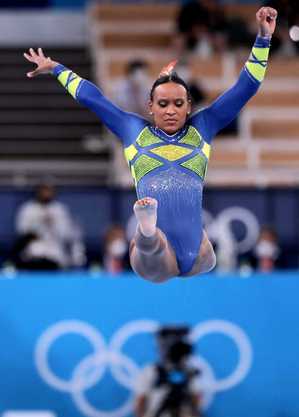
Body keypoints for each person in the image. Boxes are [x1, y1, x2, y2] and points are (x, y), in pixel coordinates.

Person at [24, 7, 277, 283]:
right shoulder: (133, 130)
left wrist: (263, 38)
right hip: (154, 256)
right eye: (163, 104)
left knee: (206, 257)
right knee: (154, 249)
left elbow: (246, 87)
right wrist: (56, 68)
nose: (171, 110)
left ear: (189, 106)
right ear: (150, 106)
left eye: (179, 104)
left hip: (196, 254)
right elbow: (92, 98)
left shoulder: (203, 127)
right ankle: (147, 231)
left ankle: (157, 235)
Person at [14, 183, 86, 270]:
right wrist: (38, 223)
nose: (46, 193)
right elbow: (22, 231)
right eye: (43, 190)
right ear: (38, 192)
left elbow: (66, 234)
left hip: (55, 248)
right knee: (34, 253)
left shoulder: (60, 209)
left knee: (57, 258)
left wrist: (53, 223)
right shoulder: (28, 208)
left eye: (49, 190)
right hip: (34, 247)